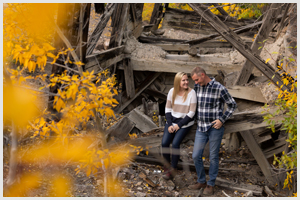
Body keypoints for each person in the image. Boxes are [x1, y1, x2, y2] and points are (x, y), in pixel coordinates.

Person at [188, 67, 237, 195]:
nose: (196, 83)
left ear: (203, 75)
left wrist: (222, 119)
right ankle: (201, 180)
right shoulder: (197, 87)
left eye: (197, 80)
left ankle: (210, 184)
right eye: (194, 81)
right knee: (195, 155)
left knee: (213, 157)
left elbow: (232, 104)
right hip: (201, 127)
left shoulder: (219, 88)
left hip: (215, 128)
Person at [161, 72, 197, 180]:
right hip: (172, 121)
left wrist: (179, 125)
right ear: (178, 82)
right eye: (184, 80)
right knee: (164, 143)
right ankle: (166, 166)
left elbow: (191, 112)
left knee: (175, 144)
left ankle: (173, 169)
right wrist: (170, 124)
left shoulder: (192, 93)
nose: (186, 82)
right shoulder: (172, 91)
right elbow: (167, 109)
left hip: (185, 123)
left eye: (187, 80)